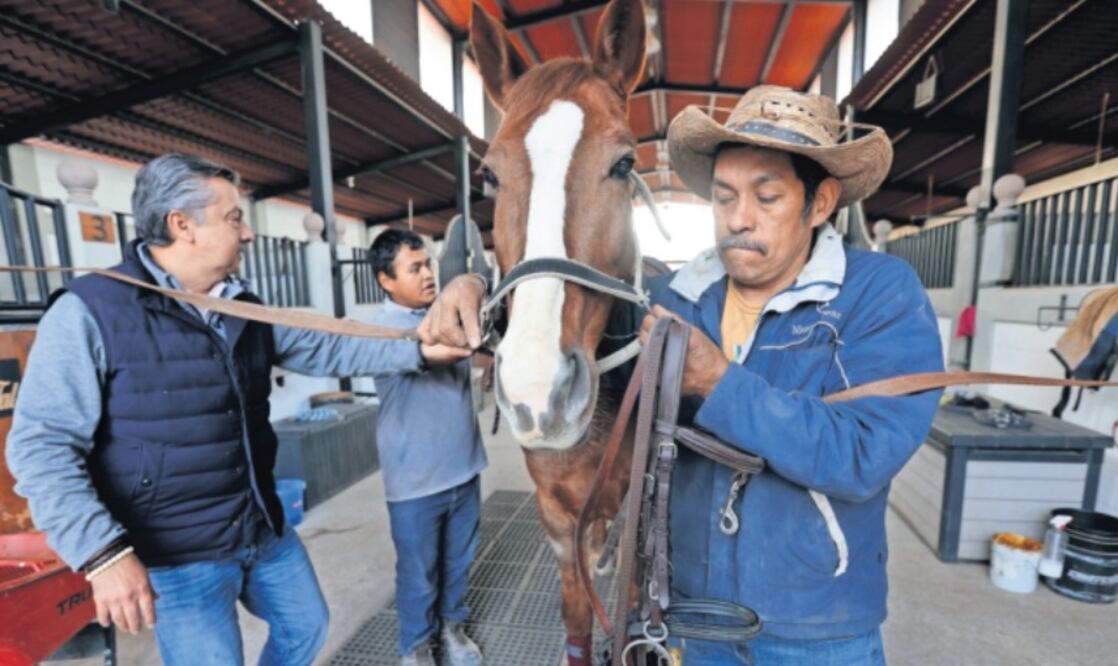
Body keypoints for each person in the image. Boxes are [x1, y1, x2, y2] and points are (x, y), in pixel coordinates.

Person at [415, 86, 944, 665]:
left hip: (815, 624)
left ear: (819, 204)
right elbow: (565, 307)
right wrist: (478, 291)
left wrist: (718, 383)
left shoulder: (880, 294)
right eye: (723, 198)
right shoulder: (673, 300)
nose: (739, 219)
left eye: (766, 197)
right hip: (689, 614)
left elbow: (863, 454)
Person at [6, 154, 468, 666]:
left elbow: (330, 347)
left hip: (258, 524)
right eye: (233, 218)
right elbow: (39, 447)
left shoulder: (241, 304)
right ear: (183, 226)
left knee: (306, 624)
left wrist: (419, 351)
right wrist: (103, 555)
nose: (247, 233)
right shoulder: (90, 311)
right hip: (176, 551)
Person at [366, 229, 487, 666]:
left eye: (429, 265)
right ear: (385, 280)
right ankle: (416, 647)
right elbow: (447, 348)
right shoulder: (380, 328)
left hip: (463, 467)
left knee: (458, 564)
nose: (428, 275)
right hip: (414, 480)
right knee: (419, 575)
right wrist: (471, 286)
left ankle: (452, 630)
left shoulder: (445, 313)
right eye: (414, 268)